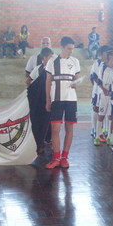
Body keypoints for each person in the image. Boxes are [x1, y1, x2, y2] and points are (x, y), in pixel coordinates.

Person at [45, 36, 80, 169]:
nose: (71, 51)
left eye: (72, 49)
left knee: (69, 128)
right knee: (55, 129)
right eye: (69, 49)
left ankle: (65, 157)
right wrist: (48, 100)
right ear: (62, 47)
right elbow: (48, 81)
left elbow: (76, 79)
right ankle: (56, 158)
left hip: (71, 99)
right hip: (57, 99)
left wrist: (76, 83)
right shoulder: (52, 61)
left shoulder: (75, 61)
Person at [27, 47, 54, 155]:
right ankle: (39, 145)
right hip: (39, 101)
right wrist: (35, 93)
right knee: (39, 123)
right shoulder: (38, 69)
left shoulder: (54, 69)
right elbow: (28, 81)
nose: (52, 60)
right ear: (45, 58)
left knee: (50, 122)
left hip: (50, 98)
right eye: (50, 57)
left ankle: (49, 141)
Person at [93, 49, 113, 145]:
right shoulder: (102, 67)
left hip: (112, 94)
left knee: (111, 116)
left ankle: (110, 137)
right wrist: (103, 89)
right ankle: (98, 135)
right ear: (110, 56)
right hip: (104, 93)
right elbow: (98, 81)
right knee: (101, 114)